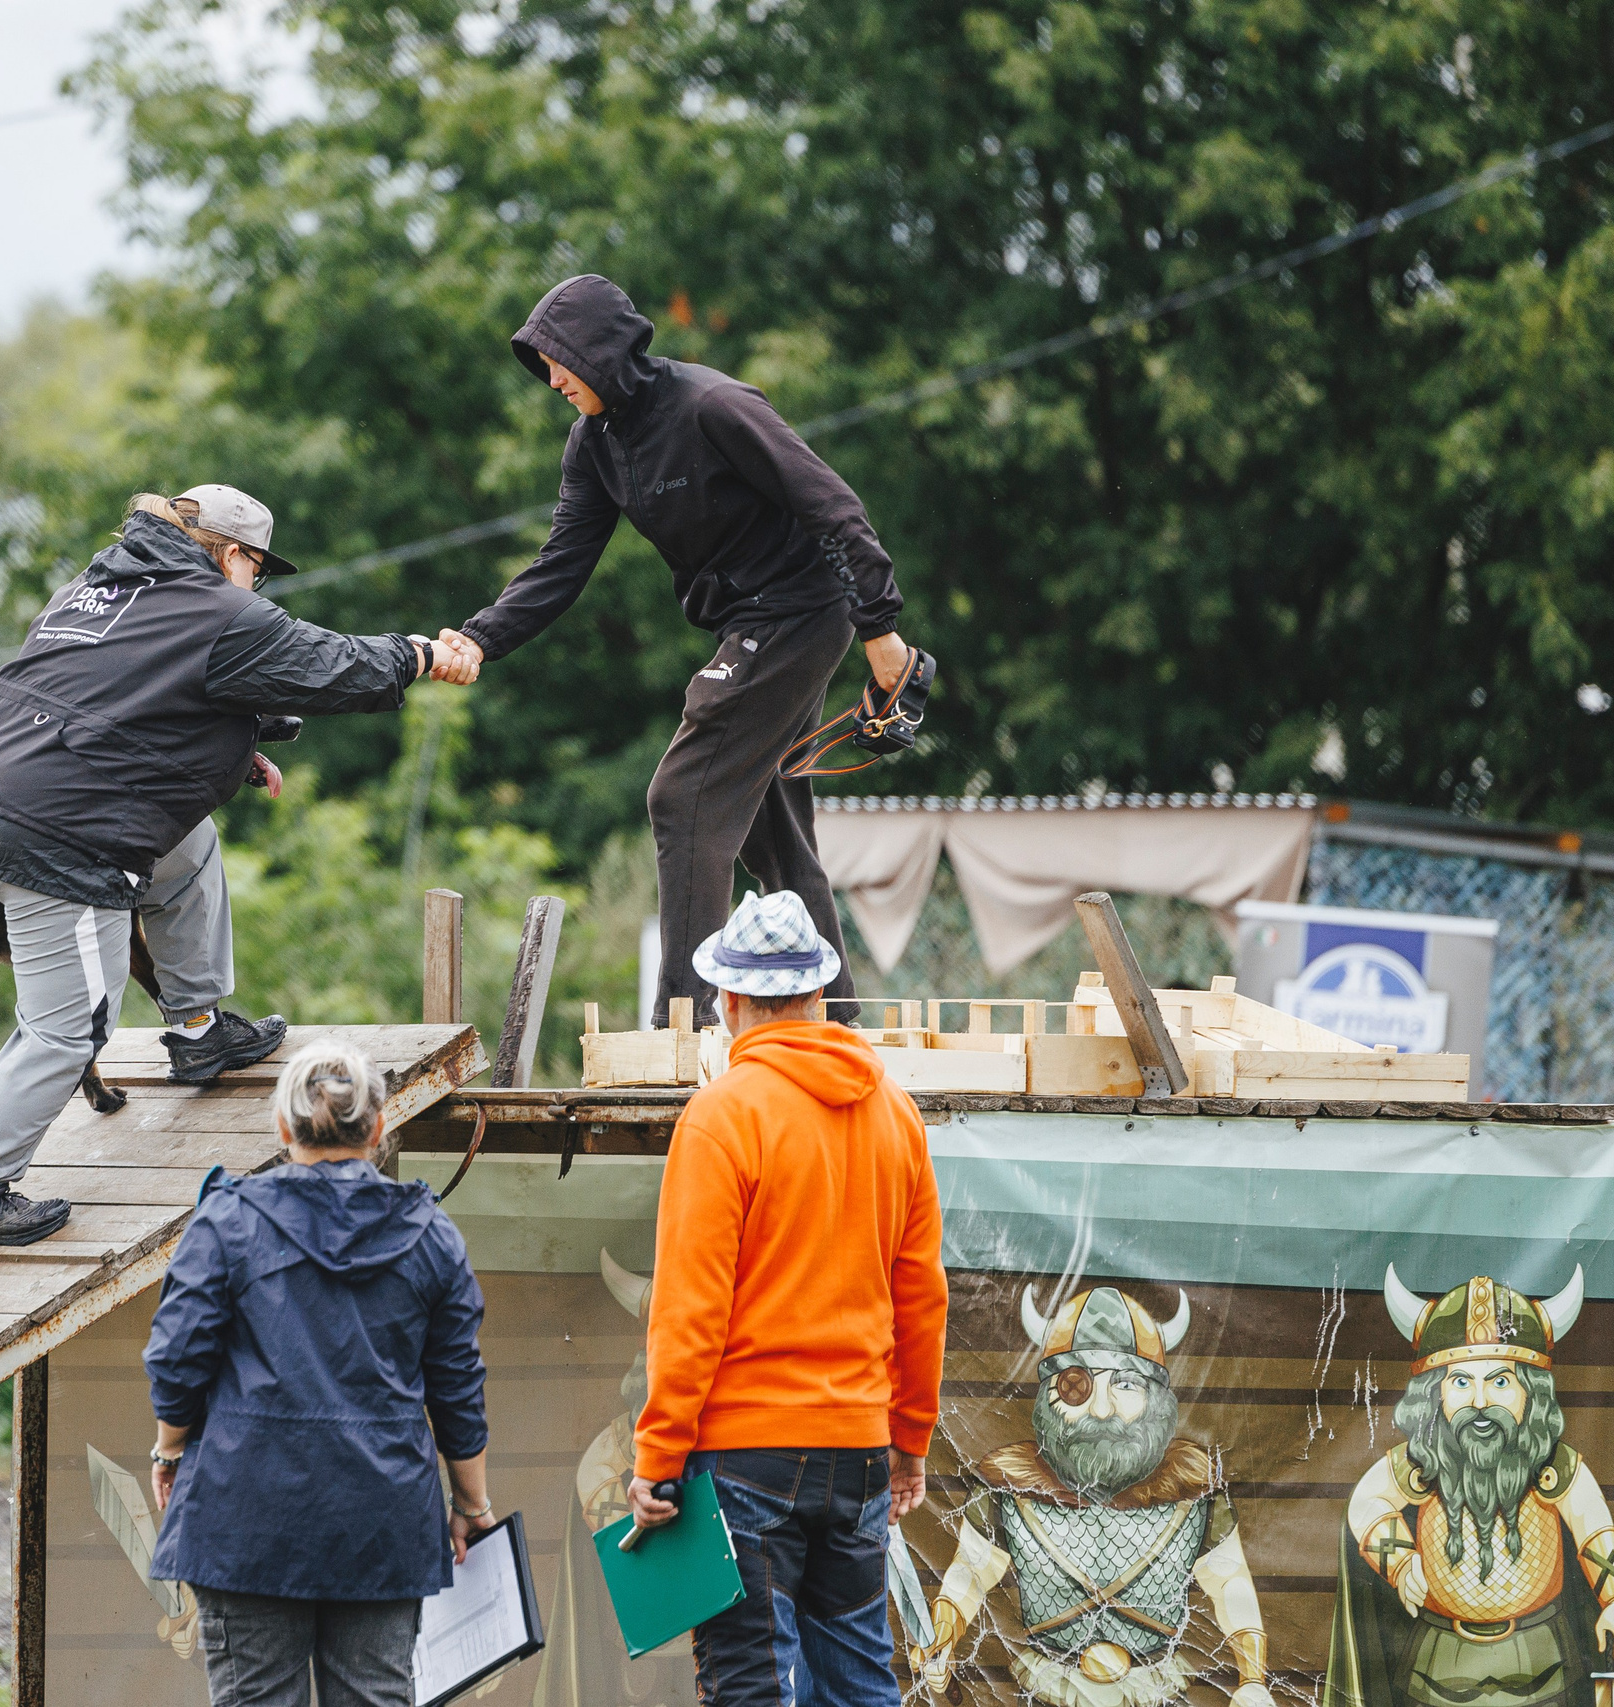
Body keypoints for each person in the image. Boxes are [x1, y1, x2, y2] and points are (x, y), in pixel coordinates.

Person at [0, 486, 457, 1259]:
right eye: (258, 569)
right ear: (231, 554)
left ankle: (198, 1028)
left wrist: (232, 753)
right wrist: (417, 653)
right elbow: (329, 664)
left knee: (189, 845)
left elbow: (119, 695)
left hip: (4, 780)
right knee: (72, 1023)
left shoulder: (100, 587)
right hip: (57, 825)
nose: (258, 586)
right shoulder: (215, 608)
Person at [428, 275, 914, 1024]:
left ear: (602, 351)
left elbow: (832, 505)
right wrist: (481, 637)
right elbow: (562, 562)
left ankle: (680, 1025)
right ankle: (837, 1023)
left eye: (559, 361)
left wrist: (882, 634)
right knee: (769, 828)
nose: (552, 379)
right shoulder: (595, 443)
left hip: (802, 608)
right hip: (746, 621)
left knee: (682, 797)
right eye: (542, 366)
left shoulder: (713, 407)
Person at [624, 889, 947, 1707]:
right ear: (818, 995)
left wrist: (658, 1462)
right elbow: (922, 1296)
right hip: (861, 1452)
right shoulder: (895, 1115)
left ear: (730, 1001)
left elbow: (689, 1316)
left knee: (753, 1684)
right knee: (860, 1679)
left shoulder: (720, 1118)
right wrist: (908, 1434)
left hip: (745, 1455)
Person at [143, 1041, 492, 1707]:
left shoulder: (228, 1219)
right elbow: (457, 1386)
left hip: (247, 1516)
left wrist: (171, 1445)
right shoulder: (430, 1233)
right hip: (382, 1524)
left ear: (282, 1128)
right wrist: (470, 1503)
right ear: (380, 1128)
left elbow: (177, 1354)